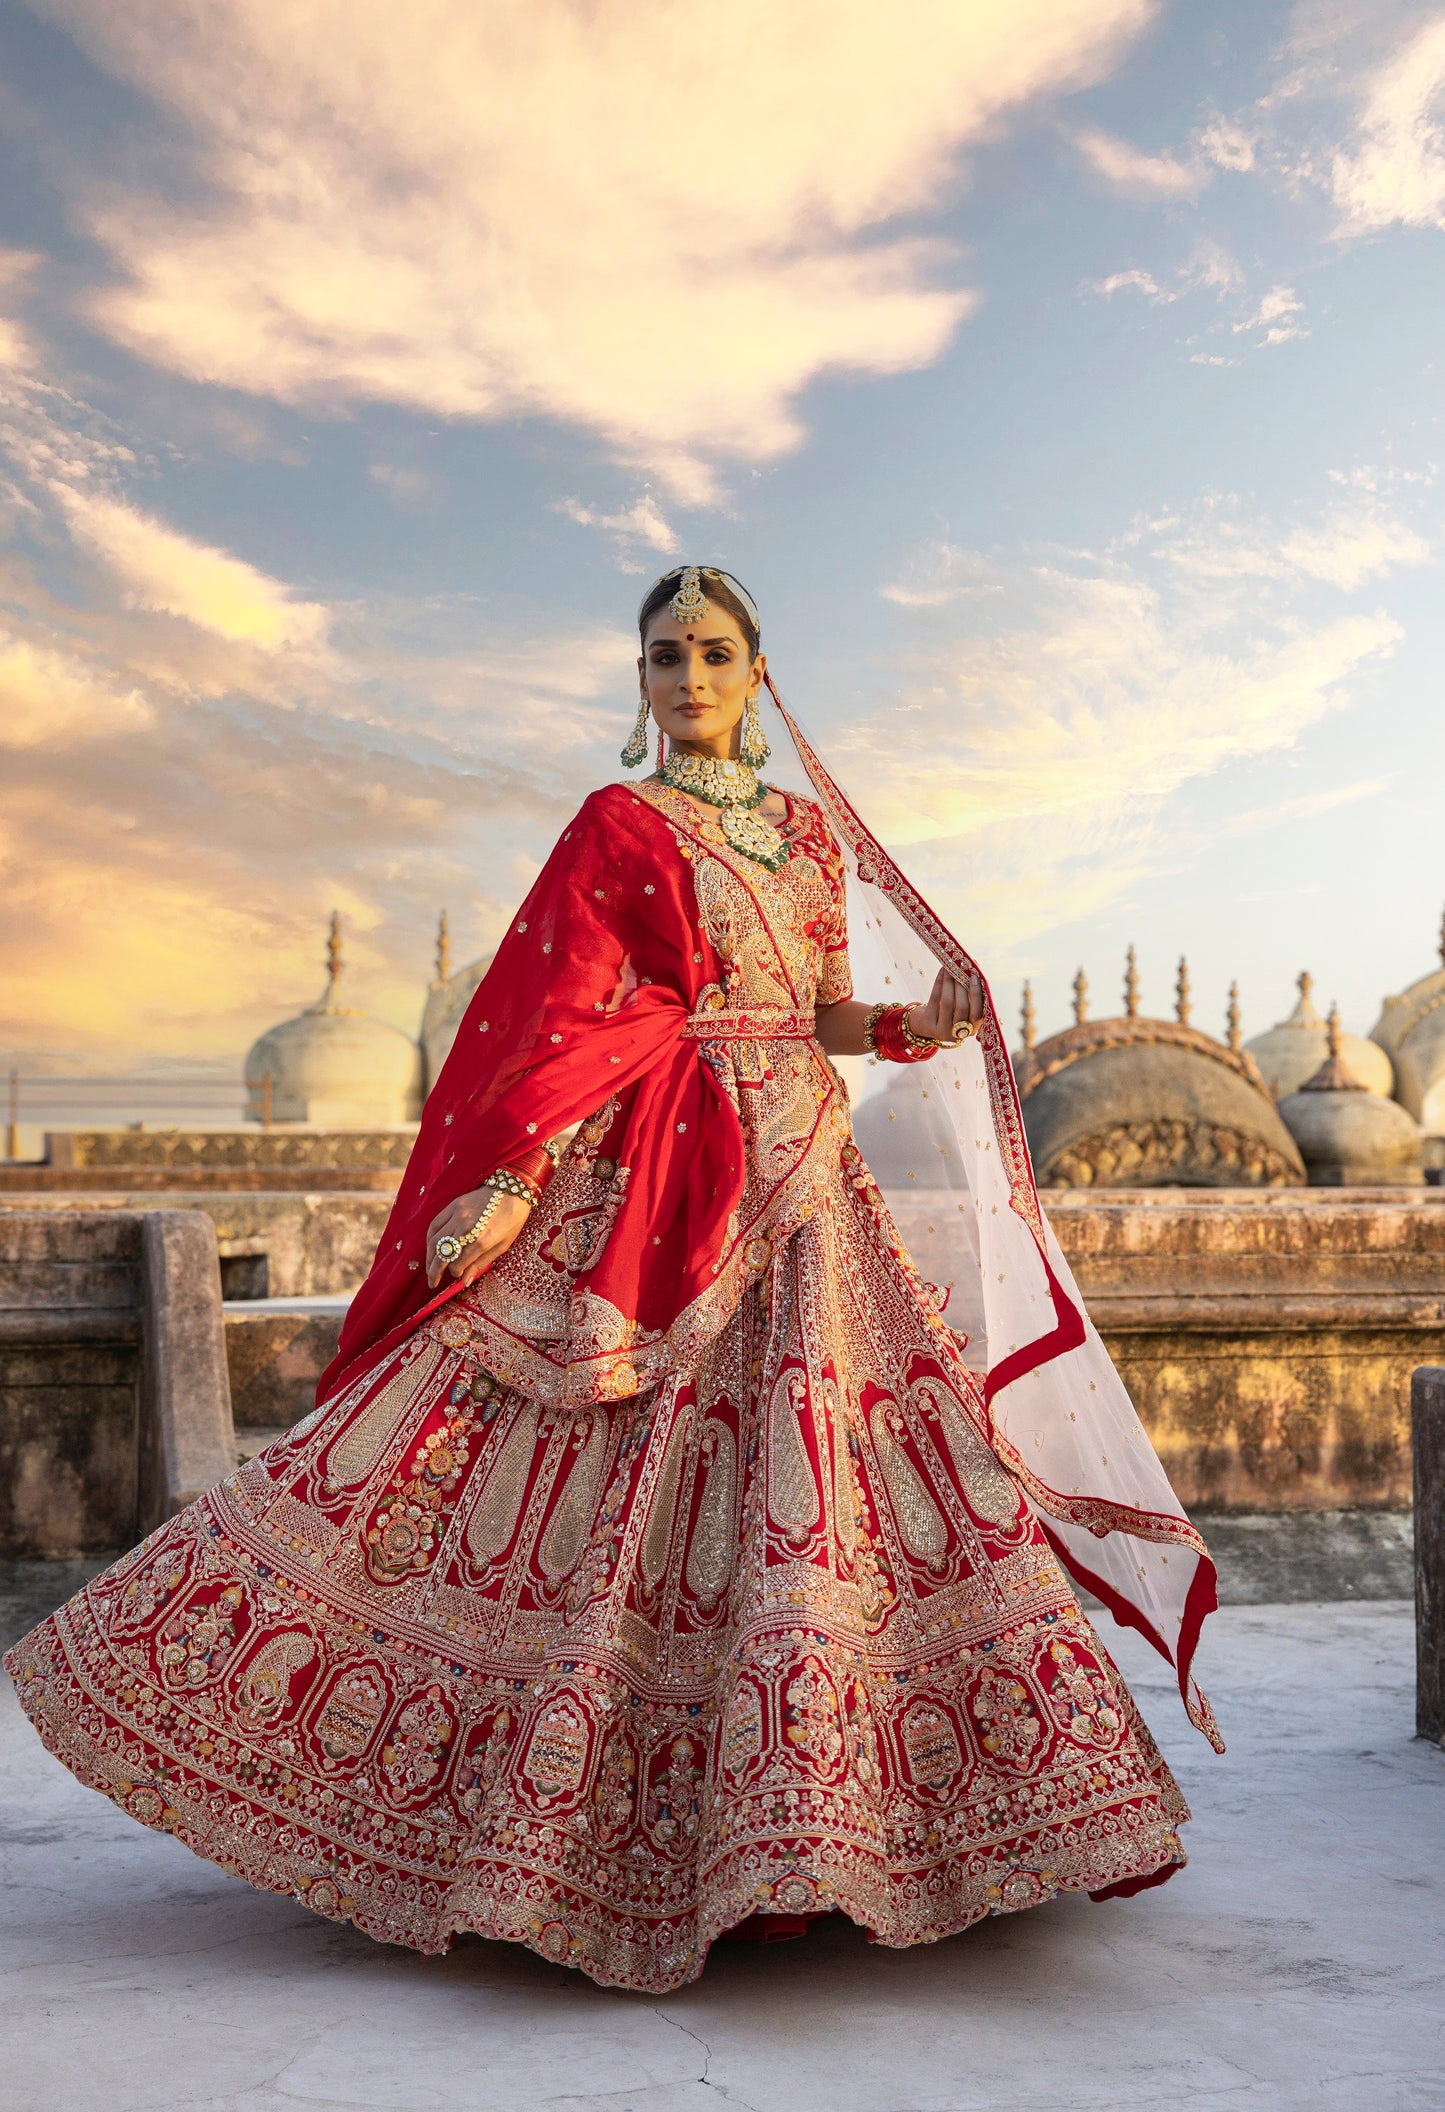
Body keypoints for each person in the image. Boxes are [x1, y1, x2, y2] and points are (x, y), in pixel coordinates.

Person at [6, 566, 1220, 1995]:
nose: (688, 677)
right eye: (663, 656)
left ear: (759, 672)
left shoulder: (805, 836)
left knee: (823, 1475)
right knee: (543, 1461)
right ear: (637, 679)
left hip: (802, 1178)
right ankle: (548, 1828)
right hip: (646, 1171)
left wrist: (915, 1020)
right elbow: (558, 1017)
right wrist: (510, 1185)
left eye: (713, 653)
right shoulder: (616, 823)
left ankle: (826, 1833)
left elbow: (819, 1008)